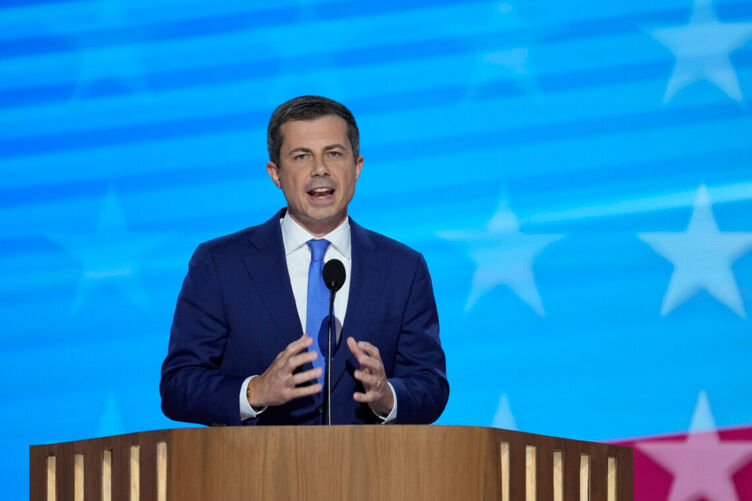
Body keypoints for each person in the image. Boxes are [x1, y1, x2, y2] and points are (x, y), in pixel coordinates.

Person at [160, 96, 448, 425]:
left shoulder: (404, 269)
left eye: (334, 154)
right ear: (276, 174)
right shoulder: (219, 264)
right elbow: (177, 386)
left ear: (357, 167)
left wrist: (388, 396)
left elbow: (431, 386)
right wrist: (255, 391)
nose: (320, 169)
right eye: (301, 156)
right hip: (251, 472)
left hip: (369, 472)